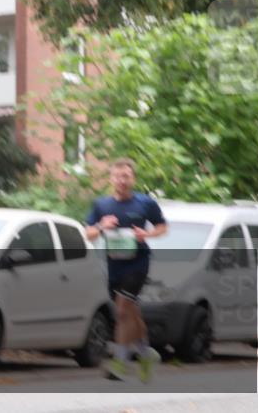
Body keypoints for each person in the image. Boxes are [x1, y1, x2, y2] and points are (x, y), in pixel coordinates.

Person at [84, 158, 168, 382]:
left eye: (126, 176)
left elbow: (162, 227)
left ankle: (120, 363)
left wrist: (147, 234)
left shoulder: (145, 203)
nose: (122, 180)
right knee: (131, 311)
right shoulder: (102, 205)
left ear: (133, 179)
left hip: (138, 263)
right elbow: (88, 234)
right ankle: (144, 352)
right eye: (118, 176)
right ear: (111, 178)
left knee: (122, 311)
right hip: (114, 265)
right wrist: (102, 226)